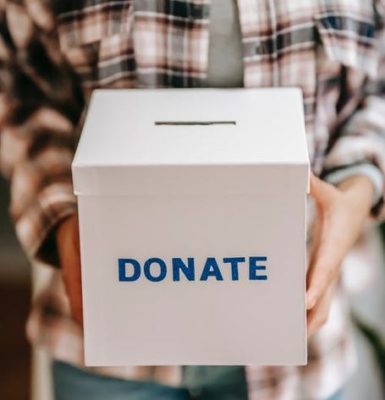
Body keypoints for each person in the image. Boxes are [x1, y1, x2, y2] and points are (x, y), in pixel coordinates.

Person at [0, 0, 384, 399]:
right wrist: (61, 214)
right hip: (110, 350)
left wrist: (355, 191)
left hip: (296, 352)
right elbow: (17, 83)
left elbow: (378, 91)